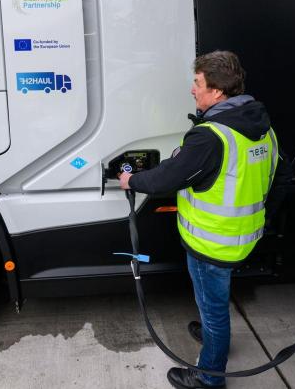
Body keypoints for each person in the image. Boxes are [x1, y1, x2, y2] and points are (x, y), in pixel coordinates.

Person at [118, 50, 279, 389]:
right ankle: (212, 334)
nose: (193, 90)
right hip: (243, 235)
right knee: (214, 303)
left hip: (212, 242)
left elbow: (167, 179)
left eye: (197, 83)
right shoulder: (262, 127)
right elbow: (282, 176)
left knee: (213, 308)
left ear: (217, 91)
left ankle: (209, 377)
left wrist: (131, 181)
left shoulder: (212, 137)